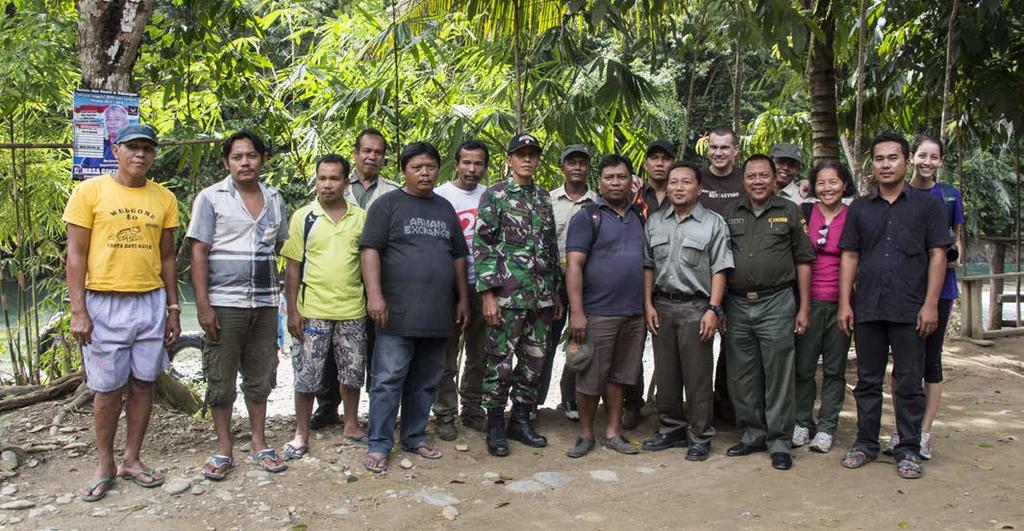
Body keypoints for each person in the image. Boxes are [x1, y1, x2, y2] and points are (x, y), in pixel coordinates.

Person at [64, 124, 179, 501]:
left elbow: (166, 257)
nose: (140, 155)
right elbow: (76, 255)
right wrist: (78, 310)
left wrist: (173, 308)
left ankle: (132, 459)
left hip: (150, 301)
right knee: (107, 388)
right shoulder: (89, 192)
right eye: (133, 147)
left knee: (144, 382)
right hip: (104, 301)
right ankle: (104, 464)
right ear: (116, 150)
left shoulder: (163, 198)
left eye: (147, 148)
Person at [838, 131, 952, 480]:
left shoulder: (927, 205)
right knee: (868, 381)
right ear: (871, 165)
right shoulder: (859, 207)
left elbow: (938, 255)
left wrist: (931, 304)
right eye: (878, 159)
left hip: (910, 308)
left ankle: (908, 449)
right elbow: (850, 256)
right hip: (869, 306)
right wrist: (846, 302)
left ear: (906, 161)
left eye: (892, 158)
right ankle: (866, 443)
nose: (885, 165)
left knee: (907, 382)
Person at [360, 142, 470, 473]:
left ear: (439, 171)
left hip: (438, 313)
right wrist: (374, 295)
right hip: (395, 313)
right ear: (404, 171)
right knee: (388, 379)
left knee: (425, 381)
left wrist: (463, 298)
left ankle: (413, 435)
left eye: (430, 167)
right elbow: (370, 251)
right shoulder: (387, 205)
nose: (424, 173)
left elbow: (458, 257)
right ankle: (379, 444)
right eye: (417, 167)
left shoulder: (445, 209)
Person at [189, 130, 290, 479]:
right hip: (223, 302)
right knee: (221, 375)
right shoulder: (211, 198)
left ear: (262, 160)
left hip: (263, 303)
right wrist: (203, 305)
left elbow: (276, 248)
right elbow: (198, 251)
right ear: (227, 161)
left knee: (261, 374)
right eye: (237, 157)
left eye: (251, 156)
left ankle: (259, 442)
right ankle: (223, 449)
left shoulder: (275, 198)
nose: (245, 162)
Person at [722, 154, 815, 471]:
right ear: (743, 179)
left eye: (764, 175)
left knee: (779, 374)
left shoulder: (790, 211)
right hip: (736, 303)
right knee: (742, 374)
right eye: (751, 176)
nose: (758, 181)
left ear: (775, 178)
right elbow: (720, 264)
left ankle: (779, 441)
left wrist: (804, 306)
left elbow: (803, 260)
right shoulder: (730, 213)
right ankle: (751, 434)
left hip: (777, 302)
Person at [474, 133, 563, 457]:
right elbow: (481, 246)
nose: (527, 159)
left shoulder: (542, 197)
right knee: (500, 362)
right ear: (510, 159)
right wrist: (486, 295)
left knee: (534, 363)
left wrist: (556, 293)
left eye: (533, 154)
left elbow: (550, 248)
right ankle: (495, 423)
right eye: (521, 154)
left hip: (540, 298)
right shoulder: (495, 195)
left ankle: (521, 420)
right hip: (507, 297)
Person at [641, 161, 733, 461]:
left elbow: (720, 268)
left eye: (686, 182)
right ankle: (671, 429)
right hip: (662, 306)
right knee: (666, 375)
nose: (679, 188)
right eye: (673, 182)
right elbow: (648, 266)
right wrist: (648, 304)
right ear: (666, 187)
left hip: (697, 307)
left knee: (697, 378)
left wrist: (713, 309)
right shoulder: (655, 221)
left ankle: (700, 435)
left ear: (699, 187)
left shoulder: (714, 223)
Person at [881, 135, 964, 460]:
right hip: (903, 290)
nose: (928, 162)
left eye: (934, 157)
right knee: (902, 363)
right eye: (922, 156)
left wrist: (941, 256)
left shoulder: (949, 195)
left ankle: (924, 432)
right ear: (911, 158)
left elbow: (955, 248)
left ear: (941, 161)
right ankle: (902, 428)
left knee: (931, 360)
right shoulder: (900, 192)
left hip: (940, 291)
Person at [280, 154, 368, 460]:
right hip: (313, 310)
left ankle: (352, 425)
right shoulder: (304, 217)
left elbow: (368, 263)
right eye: (322, 178)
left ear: (346, 182)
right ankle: (301, 432)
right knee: (307, 375)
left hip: (352, 309)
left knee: (353, 373)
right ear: (315, 181)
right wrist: (292, 311)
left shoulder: (361, 217)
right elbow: (292, 267)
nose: (327, 184)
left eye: (334, 178)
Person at [312, 128, 400, 429]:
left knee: (376, 347)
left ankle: (376, 412)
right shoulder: (334, 182)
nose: (372, 156)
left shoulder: (393, 190)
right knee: (330, 351)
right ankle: (327, 407)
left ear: (383, 157)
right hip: (339, 280)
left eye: (378, 152)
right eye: (366, 150)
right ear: (356, 153)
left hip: (380, 281)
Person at [563, 154, 646, 458]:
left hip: (633, 312)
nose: (615, 183)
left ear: (631, 181)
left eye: (621, 177)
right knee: (590, 376)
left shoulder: (639, 216)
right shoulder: (588, 217)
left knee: (620, 375)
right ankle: (586, 434)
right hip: (598, 312)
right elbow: (574, 266)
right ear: (599, 181)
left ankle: (613, 431)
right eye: (609, 177)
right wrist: (577, 311)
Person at [792, 161, 856, 454]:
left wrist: (846, 304)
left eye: (833, 182)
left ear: (844, 184)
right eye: (821, 182)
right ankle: (802, 422)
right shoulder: (805, 212)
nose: (827, 188)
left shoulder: (854, 215)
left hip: (841, 304)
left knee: (834, 369)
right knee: (803, 367)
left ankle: (827, 426)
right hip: (806, 302)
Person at [433, 140, 490, 439]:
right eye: (466, 162)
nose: (472, 169)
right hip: (448, 286)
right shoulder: (440, 196)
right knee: (446, 353)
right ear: (456, 164)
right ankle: (444, 412)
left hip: (483, 284)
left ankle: (472, 408)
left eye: (478, 163)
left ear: (485, 167)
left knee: (480, 351)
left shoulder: (491, 197)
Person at [620, 140, 677, 430]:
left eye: (665, 159)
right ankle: (633, 404)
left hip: (671, 279)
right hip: (635, 279)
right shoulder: (632, 196)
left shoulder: (683, 194)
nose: (659, 163)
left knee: (670, 350)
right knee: (633, 347)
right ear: (645, 164)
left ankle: (670, 408)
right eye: (653, 158)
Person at [542, 145, 597, 422]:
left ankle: (571, 398)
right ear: (561, 167)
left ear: (589, 168)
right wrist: (552, 286)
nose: (577, 167)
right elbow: (542, 244)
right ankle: (533, 402)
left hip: (586, 283)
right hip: (552, 281)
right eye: (571, 162)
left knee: (579, 341)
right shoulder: (547, 200)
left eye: (582, 163)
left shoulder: (597, 203)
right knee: (544, 343)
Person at [698, 126, 745, 426]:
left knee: (735, 347)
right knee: (699, 343)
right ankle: (701, 408)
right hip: (700, 276)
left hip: (738, 274)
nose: (718, 153)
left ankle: (728, 404)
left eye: (724, 148)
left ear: (735, 150)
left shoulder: (746, 179)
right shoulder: (696, 178)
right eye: (713, 147)